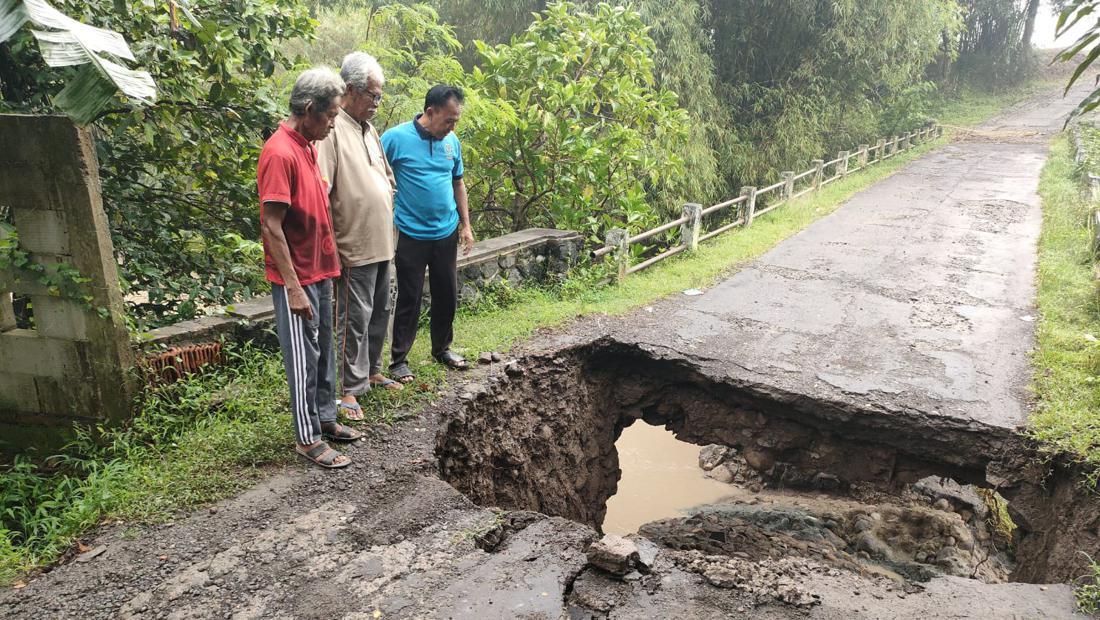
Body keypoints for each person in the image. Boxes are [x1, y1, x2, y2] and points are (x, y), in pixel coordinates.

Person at [257, 67, 363, 469]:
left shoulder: (306, 146)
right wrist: (293, 287)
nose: (334, 123)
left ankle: (325, 418)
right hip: (297, 276)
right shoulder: (279, 152)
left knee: (322, 353)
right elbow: (271, 224)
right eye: (330, 115)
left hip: (321, 270)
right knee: (303, 357)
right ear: (307, 109)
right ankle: (307, 438)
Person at [316, 52, 403, 423]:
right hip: (354, 244)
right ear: (350, 90)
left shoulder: (371, 132)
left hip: (383, 241)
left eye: (380, 96)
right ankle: (349, 389)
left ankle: (372, 371)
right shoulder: (333, 132)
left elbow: (386, 179)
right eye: (372, 95)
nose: (376, 103)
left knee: (381, 310)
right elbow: (323, 188)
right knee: (353, 317)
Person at [382, 84, 475, 383]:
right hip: (411, 233)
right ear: (430, 112)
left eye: (456, 120)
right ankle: (399, 361)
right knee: (409, 297)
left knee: (446, 293)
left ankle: (442, 349)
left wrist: (466, 225)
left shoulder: (452, 142)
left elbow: (458, 183)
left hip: (445, 232)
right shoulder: (395, 139)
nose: (452, 126)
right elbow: (376, 175)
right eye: (449, 120)